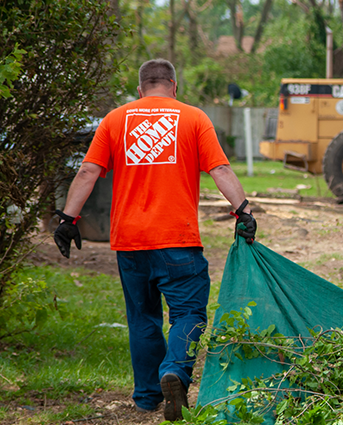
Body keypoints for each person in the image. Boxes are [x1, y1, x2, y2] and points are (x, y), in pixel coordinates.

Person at [52, 59, 257, 421]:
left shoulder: (116, 120)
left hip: (130, 243)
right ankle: (175, 370)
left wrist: (68, 219)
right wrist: (242, 210)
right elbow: (220, 169)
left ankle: (147, 397)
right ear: (174, 87)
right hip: (177, 240)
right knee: (188, 312)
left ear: (140, 89)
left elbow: (88, 171)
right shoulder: (193, 118)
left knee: (143, 318)